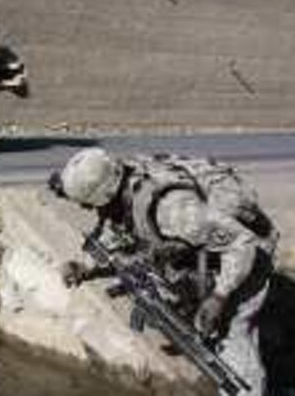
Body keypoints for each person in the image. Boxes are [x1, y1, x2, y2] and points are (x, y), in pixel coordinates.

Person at [48, 148, 278, 396]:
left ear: (106, 195)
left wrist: (220, 297)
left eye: (89, 204)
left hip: (246, 253)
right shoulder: (123, 181)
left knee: (232, 337)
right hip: (206, 245)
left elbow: (242, 244)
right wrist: (86, 265)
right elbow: (118, 226)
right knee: (171, 291)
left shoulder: (174, 211)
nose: (87, 209)